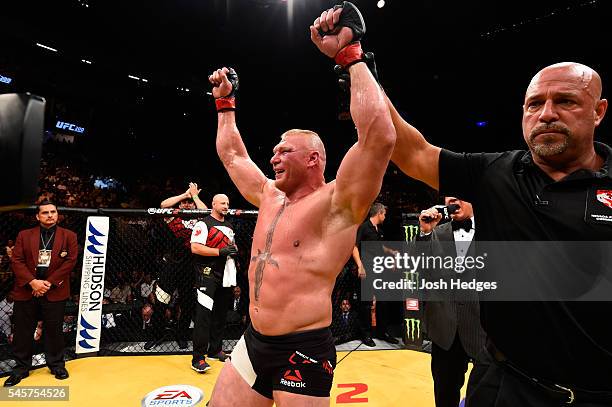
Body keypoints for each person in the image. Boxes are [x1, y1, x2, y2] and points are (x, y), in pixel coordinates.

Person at [381, 60, 612, 405]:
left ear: (598, 111)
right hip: (503, 385)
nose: (547, 114)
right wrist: (355, 62)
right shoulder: (495, 173)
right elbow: (408, 149)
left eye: (565, 101)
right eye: (535, 104)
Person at [206, 4, 396, 405]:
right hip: (254, 339)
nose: (273, 156)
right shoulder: (269, 195)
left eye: (284, 150)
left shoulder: (337, 203)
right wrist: (226, 105)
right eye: (274, 150)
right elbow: (234, 157)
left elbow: (378, 137)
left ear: (313, 159)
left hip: (303, 345)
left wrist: (351, 56)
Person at [415, 198, 487, 407]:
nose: (452, 200)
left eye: (459, 193)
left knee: (487, 395)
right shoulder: (436, 231)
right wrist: (426, 233)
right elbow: (421, 270)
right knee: (445, 395)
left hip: (483, 328)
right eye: (449, 196)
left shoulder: (493, 228)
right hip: (445, 329)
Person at [4, 201, 78, 387]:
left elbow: (70, 261)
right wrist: (33, 282)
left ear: (57, 214)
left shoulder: (69, 235)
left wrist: (48, 283)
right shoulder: (24, 235)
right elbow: (17, 261)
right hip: (27, 290)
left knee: (54, 330)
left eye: (53, 212)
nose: (50, 215)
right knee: (22, 331)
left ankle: (56, 365)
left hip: (54, 290)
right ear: (37, 216)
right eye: (45, 212)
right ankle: (21, 368)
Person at [147, 182, 207, 351]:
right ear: (180, 205)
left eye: (190, 203)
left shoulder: (198, 219)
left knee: (187, 304)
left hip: (189, 267)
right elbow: (162, 205)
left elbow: (206, 211)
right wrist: (184, 195)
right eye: (184, 203)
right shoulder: (173, 216)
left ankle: (182, 336)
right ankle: (156, 335)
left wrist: (195, 196)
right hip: (170, 266)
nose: (187, 205)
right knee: (161, 301)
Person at [190, 193, 237, 372]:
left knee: (220, 315)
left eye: (228, 203)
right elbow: (195, 247)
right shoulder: (204, 223)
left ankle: (215, 349)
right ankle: (198, 358)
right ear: (213, 204)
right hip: (207, 273)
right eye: (222, 203)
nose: (226, 205)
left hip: (226, 274)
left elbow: (230, 247)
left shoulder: (229, 225)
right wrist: (220, 251)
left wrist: (233, 250)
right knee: (203, 317)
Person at [352, 202, 400, 346]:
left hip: (379, 269)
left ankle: (382, 331)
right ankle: (366, 335)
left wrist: (391, 252)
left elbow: (379, 246)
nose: (385, 217)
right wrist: (360, 266)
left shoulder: (378, 229)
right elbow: (354, 246)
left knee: (383, 301)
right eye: (384, 214)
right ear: (379, 213)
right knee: (366, 303)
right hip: (367, 269)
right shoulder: (364, 227)